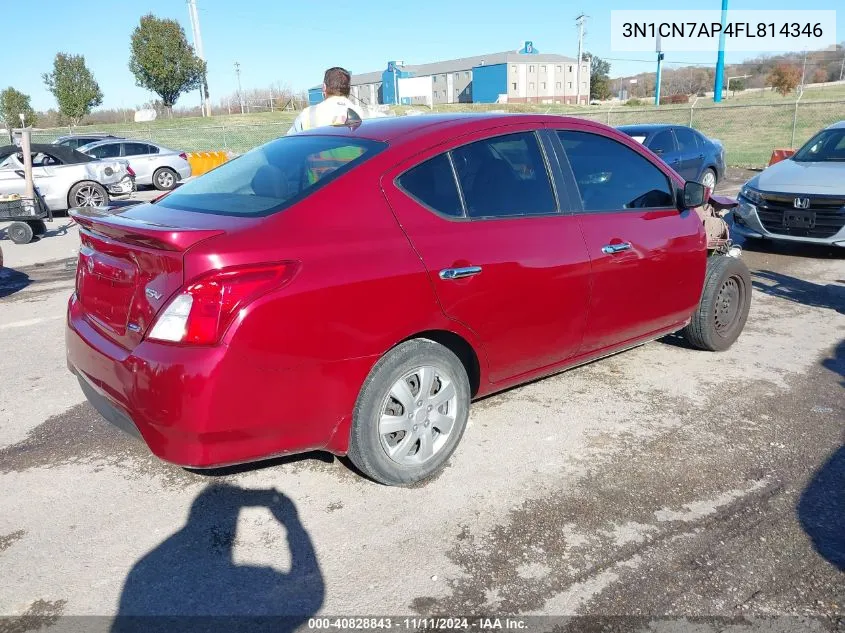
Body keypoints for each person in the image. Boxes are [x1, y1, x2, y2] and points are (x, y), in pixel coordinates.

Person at [287, 67, 366, 135]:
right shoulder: (363, 114)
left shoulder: (307, 115)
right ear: (349, 89)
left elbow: (286, 143)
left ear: (324, 87)